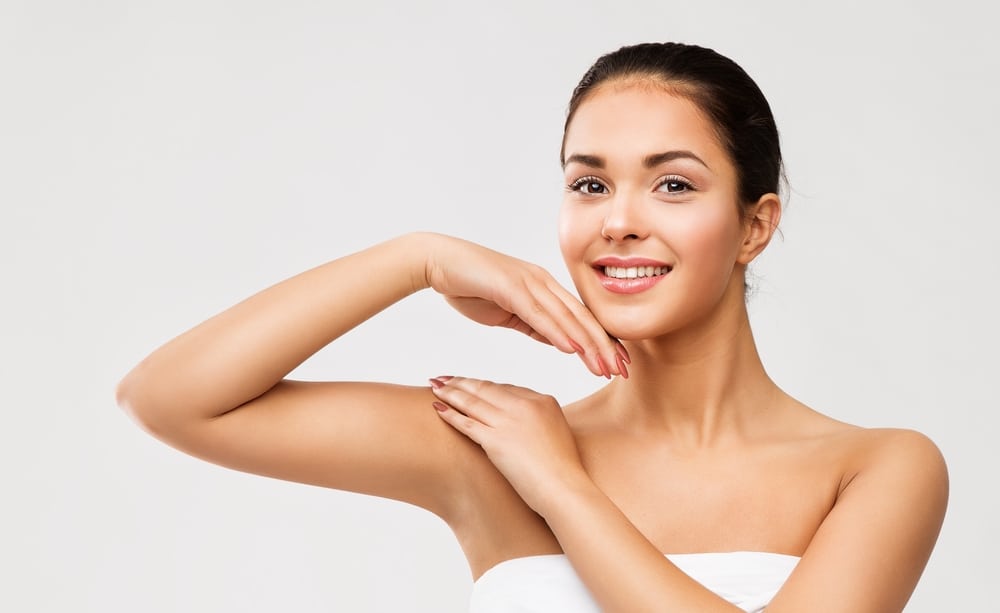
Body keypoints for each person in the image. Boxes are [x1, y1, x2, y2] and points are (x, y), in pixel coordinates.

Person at [115, 42, 948, 612]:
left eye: (673, 186)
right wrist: (419, 258)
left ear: (754, 226)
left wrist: (563, 489)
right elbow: (170, 398)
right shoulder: (490, 442)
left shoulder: (877, 467)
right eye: (589, 185)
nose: (618, 221)